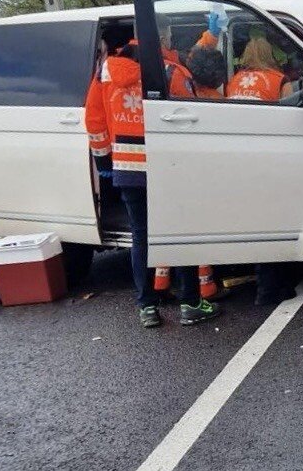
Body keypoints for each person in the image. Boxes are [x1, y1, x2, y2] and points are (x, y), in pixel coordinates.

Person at [84, 17, 221, 328]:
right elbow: (192, 119)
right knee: (179, 233)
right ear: (162, 37)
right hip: (167, 168)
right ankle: (190, 303)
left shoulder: (106, 71)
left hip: (126, 166)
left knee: (141, 236)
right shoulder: (171, 71)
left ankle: (147, 306)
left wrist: (104, 161)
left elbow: (94, 118)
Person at [227, 36, 292, 101]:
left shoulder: (234, 79)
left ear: (245, 55)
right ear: (269, 55)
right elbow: (290, 105)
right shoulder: (281, 80)